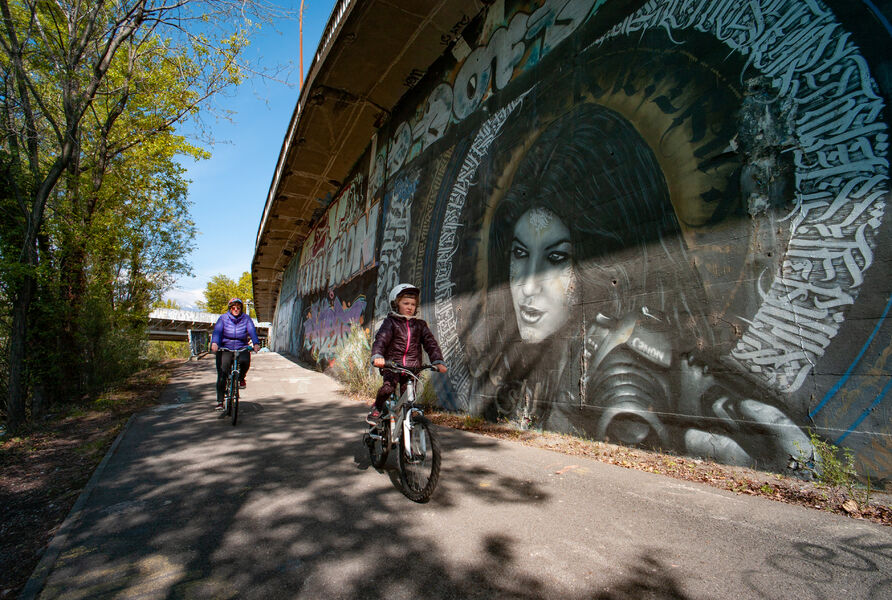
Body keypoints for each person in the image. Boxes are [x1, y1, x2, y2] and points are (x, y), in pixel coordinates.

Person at [464, 102, 812, 471]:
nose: (528, 287)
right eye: (520, 253)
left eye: (557, 258)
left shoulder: (659, 369)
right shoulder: (518, 367)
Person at [368, 283, 447, 423]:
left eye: (413, 304)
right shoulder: (391, 323)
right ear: (396, 304)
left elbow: (431, 344)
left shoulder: (420, 325)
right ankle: (378, 406)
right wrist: (378, 356)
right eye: (405, 303)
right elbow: (381, 340)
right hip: (392, 365)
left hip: (412, 368)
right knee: (388, 389)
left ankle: (406, 428)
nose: (410, 307)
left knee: (410, 399)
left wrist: (437, 361)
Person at [211, 298, 260, 409]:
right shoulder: (223, 318)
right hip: (225, 347)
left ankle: (241, 378)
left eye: (238, 308)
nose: (236, 310)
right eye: (233, 308)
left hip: (241, 346)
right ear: (230, 309)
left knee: (245, 361)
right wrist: (215, 343)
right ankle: (220, 401)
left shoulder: (246, 318)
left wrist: (256, 343)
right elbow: (217, 332)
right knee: (222, 373)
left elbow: (252, 331)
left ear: (241, 308)